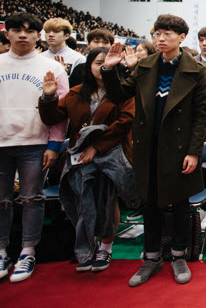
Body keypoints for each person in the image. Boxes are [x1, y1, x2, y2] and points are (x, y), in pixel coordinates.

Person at [100, 14, 206, 287]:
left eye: (167, 34)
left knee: (180, 204)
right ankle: (151, 259)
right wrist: (110, 70)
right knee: (149, 203)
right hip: (147, 144)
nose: (160, 39)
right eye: (157, 33)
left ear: (182, 37)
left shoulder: (196, 70)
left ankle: (179, 255)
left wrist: (194, 151)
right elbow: (119, 95)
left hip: (179, 147)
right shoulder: (146, 65)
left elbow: (201, 115)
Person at [38, 47, 136, 272]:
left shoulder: (122, 92)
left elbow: (125, 122)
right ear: (88, 66)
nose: (101, 68)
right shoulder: (75, 93)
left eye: (106, 63)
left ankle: (106, 247)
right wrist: (49, 96)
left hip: (112, 153)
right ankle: (86, 247)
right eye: (96, 63)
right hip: (80, 155)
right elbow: (53, 118)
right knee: (83, 202)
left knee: (107, 200)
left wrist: (96, 146)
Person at [0, 13, 69, 283]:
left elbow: (60, 113)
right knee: (2, 200)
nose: (22, 35)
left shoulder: (51, 68)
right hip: (2, 143)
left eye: (29, 31)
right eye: (17, 30)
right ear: (7, 33)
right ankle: (2, 251)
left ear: (37, 35)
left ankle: (27, 251)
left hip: (34, 143)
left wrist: (54, 144)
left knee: (31, 199)